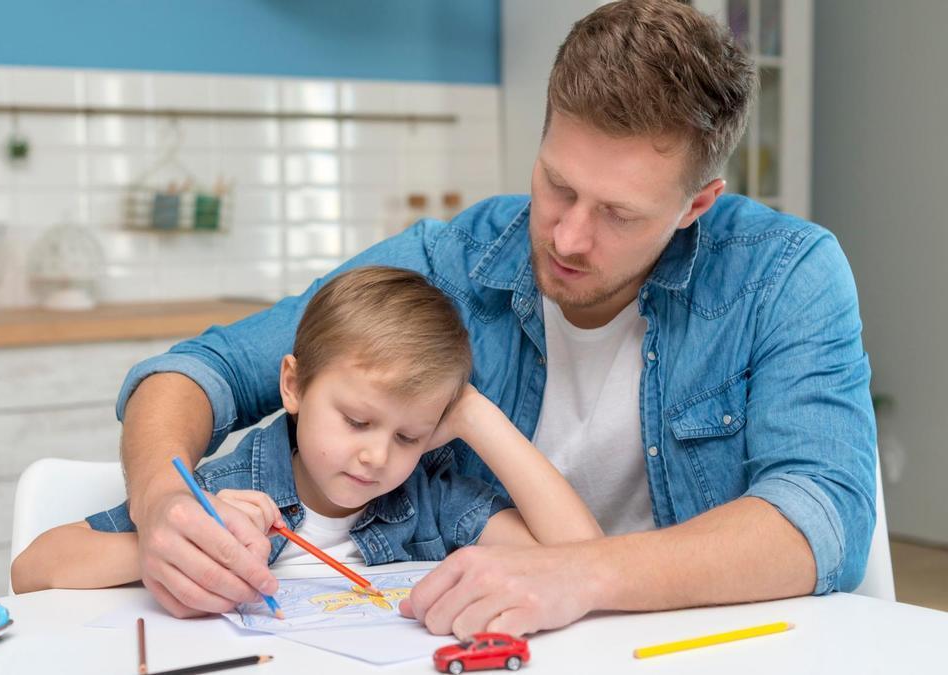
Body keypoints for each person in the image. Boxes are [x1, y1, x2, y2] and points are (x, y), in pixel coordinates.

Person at [116, 0, 876, 637]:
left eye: (618, 213)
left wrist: (580, 575)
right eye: (557, 184)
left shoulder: (786, 275)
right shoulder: (453, 259)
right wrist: (161, 503)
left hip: (693, 645)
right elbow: (201, 370)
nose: (570, 237)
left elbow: (819, 517)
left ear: (695, 204)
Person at [10, 266, 601, 595]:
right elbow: (33, 569)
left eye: (408, 437)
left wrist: (477, 417)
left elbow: (586, 560)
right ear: (292, 386)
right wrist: (183, 543)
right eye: (357, 421)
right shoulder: (228, 486)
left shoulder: (431, 497)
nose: (375, 456)